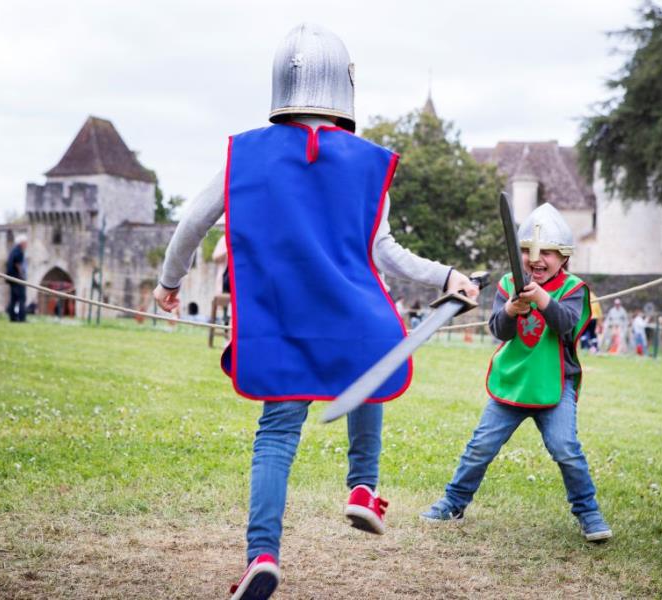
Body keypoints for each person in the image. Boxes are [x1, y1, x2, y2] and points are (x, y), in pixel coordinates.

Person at [153, 23, 478, 600]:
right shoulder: (368, 164)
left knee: (277, 435)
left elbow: (192, 222)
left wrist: (168, 283)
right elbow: (386, 252)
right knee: (370, 374)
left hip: (282, 325)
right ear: (345, 87)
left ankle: (262, 556)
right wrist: (447, 274)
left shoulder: (245, 155)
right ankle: (363, 487)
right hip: (354, 318)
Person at [421, 202, 612, 543]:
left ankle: (588, 513)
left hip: (554, 385)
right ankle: (454, 503)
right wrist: (511, 308)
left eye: (547, 253)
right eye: (527, 252)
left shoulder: (574, 289)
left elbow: (567, 326)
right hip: (512, 382)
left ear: (563, 257)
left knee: (566, 449)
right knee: (480, 447)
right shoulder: (509, 283)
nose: (536, 259)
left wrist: (542, 299)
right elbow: (500, 330)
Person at [6, 234, 28, 322]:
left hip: (12, 278)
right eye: (26, 243)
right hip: (17, 278)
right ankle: (21, 317)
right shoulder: (19, 251)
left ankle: (13, 318)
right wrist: (21, 276)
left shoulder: (14, 250)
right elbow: (17, 264)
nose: (27, 245)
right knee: (22, 298)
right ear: (22, 243)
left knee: (14, 299)